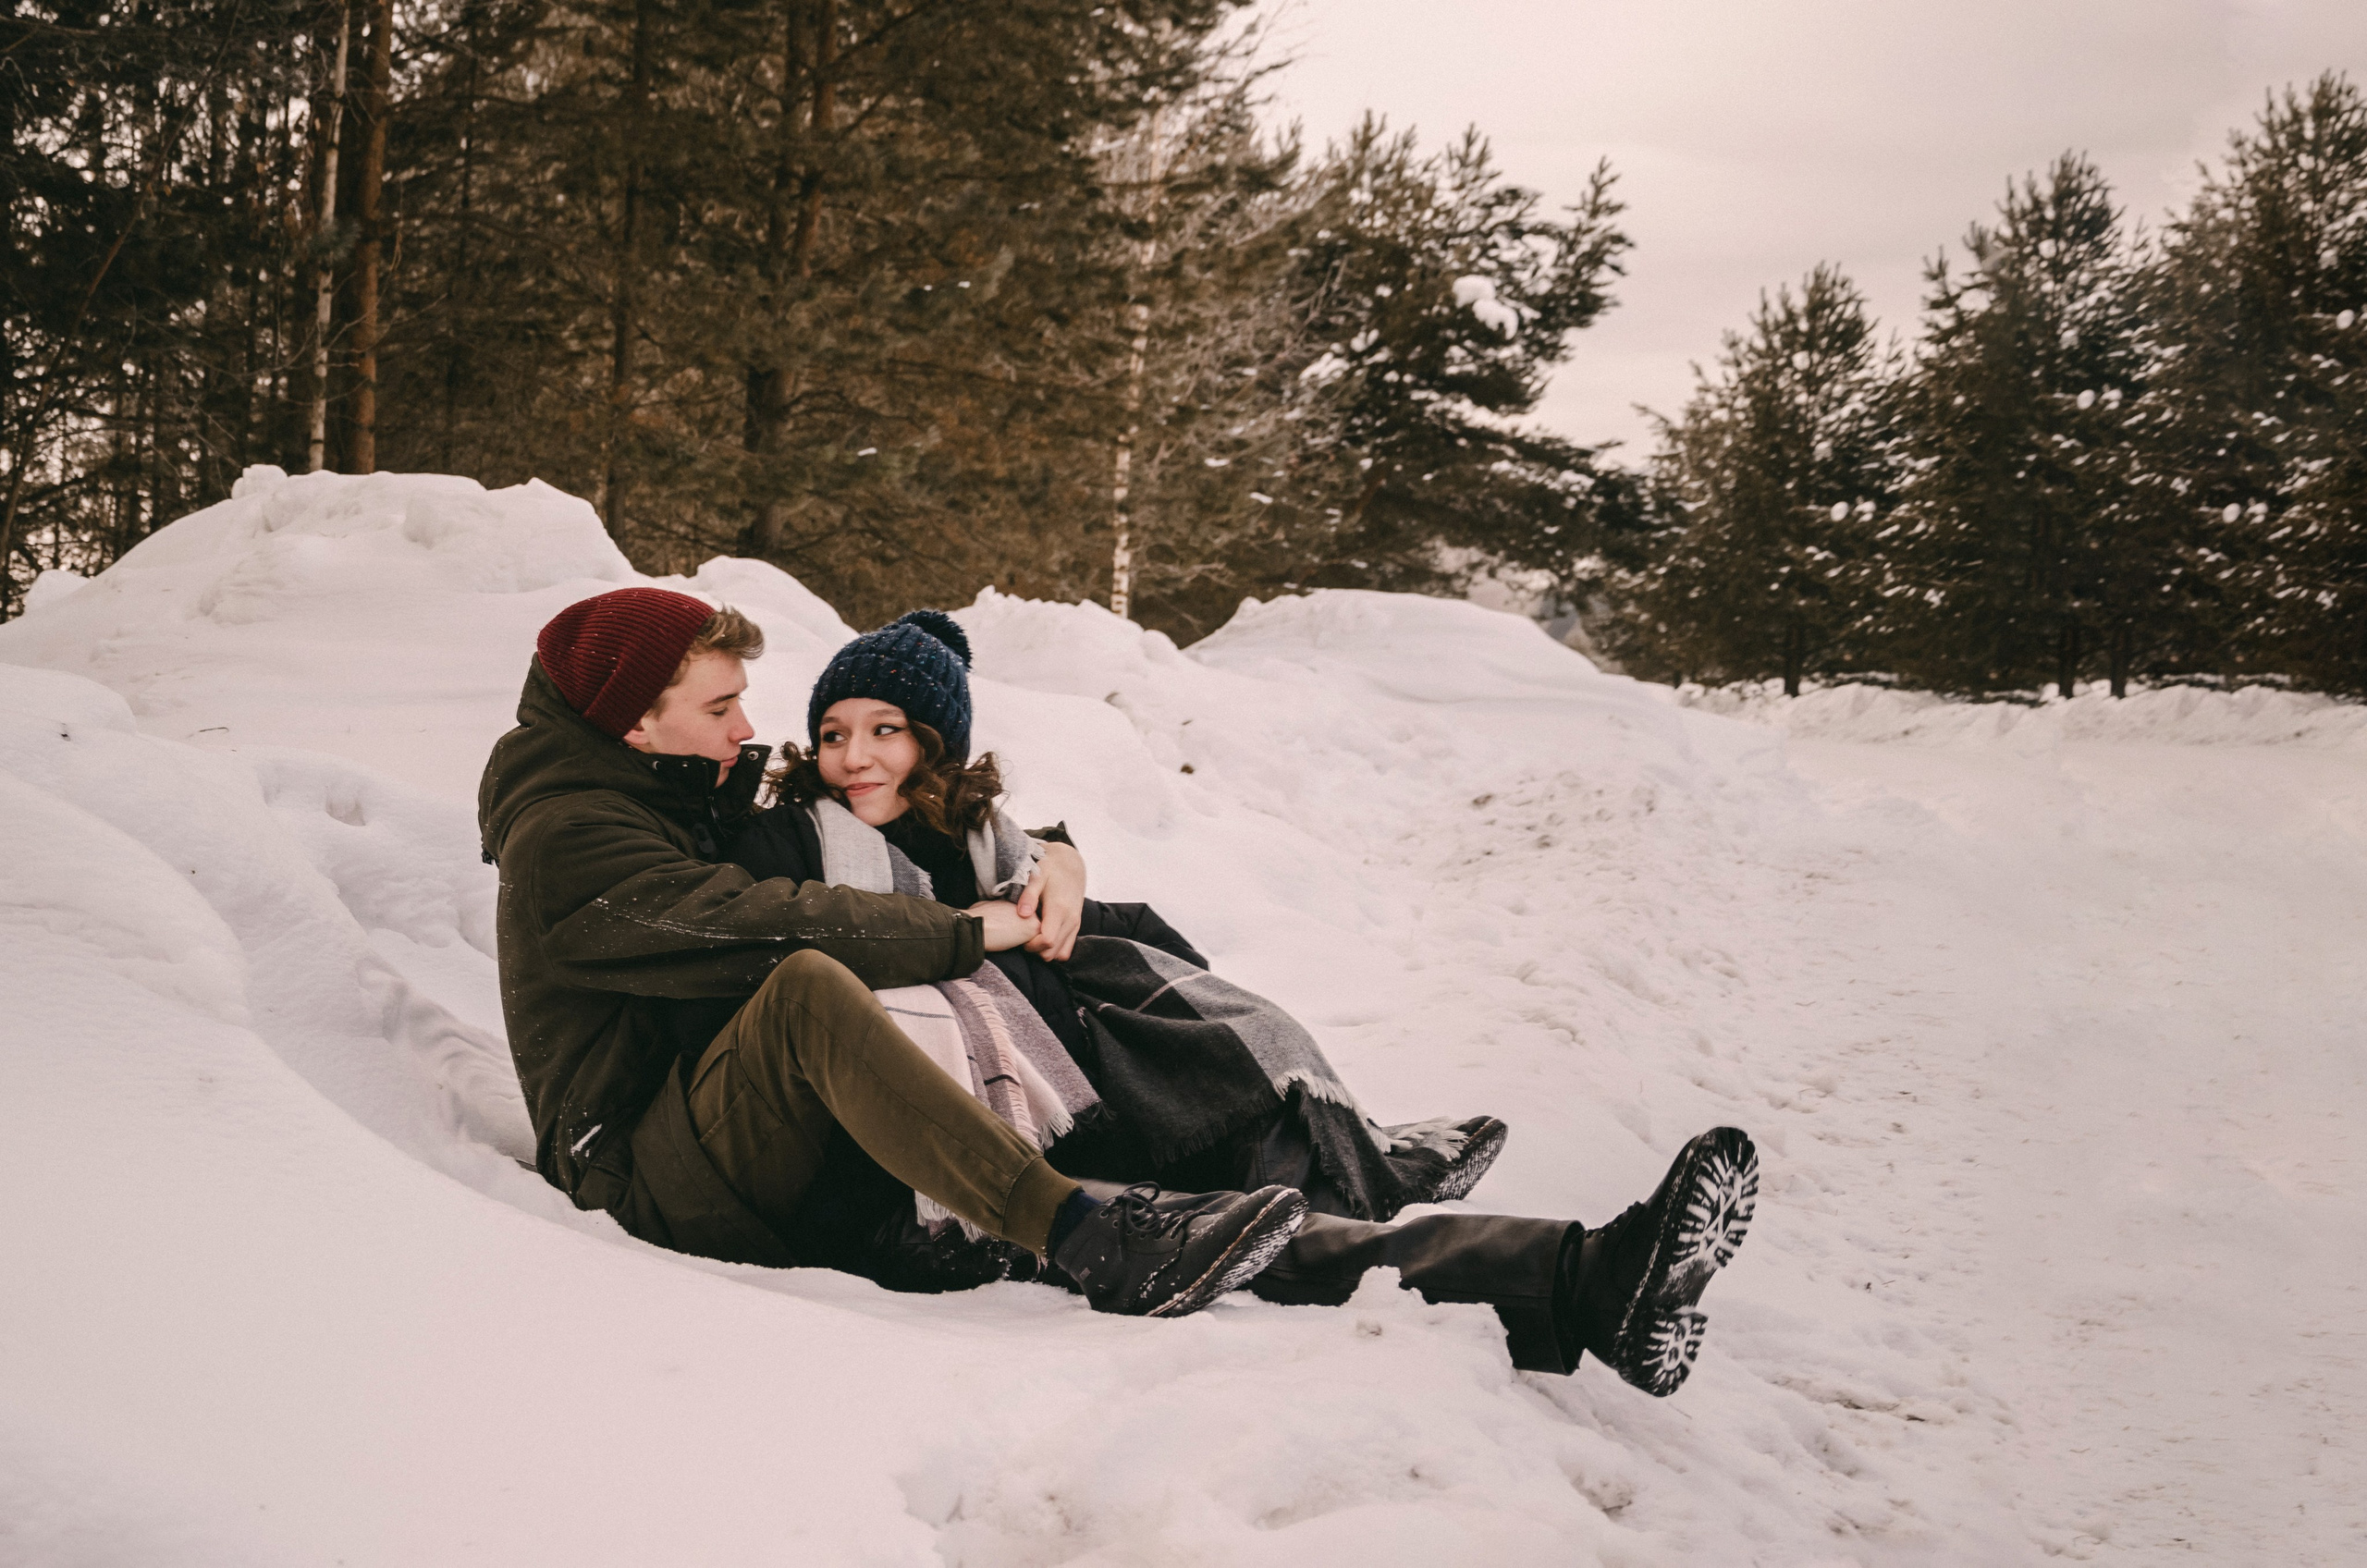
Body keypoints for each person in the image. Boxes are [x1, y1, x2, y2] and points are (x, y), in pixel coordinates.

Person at [481, 588, 1758, 1395]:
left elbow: (941, 821)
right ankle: (1077, 1231)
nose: (748, 723)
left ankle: (1584, 1278)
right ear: (636, 721)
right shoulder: (571, 841)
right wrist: (959, 932)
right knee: (817, 984)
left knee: (1228, 1212)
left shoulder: (660, 783)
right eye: (721, 704)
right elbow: (768, 920)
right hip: (652, 1166)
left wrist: (1055, 868)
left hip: (783, 1124)